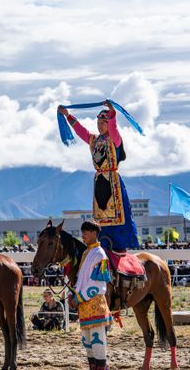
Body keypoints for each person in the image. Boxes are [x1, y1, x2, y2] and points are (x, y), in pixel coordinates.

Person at [58, 101, 138, 252]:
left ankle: (119, 247)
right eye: (98, 122)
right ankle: (103, 243)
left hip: (112, 181)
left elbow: (114, 129)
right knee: (101, 216)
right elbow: (81, 131)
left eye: (103, 122)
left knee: (116, 215)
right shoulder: (94, 140)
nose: (99, 126)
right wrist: (68, 116)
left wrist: (112, 113)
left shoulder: (115, 140)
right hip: (100, 181)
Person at [68, 220, 112, 370]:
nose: (83, 235)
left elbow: (97, 282)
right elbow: (81, 278)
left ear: (94, 233)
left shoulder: (100, 254)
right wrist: (71, 293)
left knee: (98, 342)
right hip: (85, 305)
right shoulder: (87, 253)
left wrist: (77, 298)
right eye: (82, 232)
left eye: (86, 232)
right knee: (88, 343)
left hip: (95, 303)